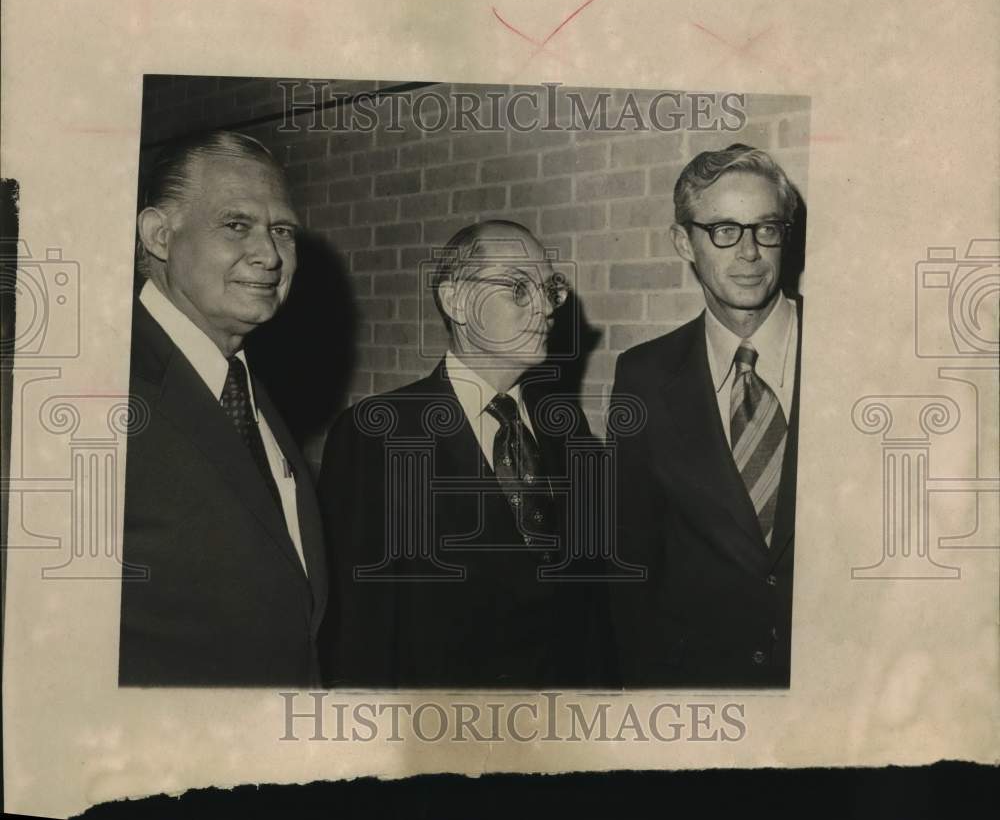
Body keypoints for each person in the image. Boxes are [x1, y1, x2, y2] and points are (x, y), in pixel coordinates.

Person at [318, 220, 612, 688]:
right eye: (518, 287)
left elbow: (591, 608)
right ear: (455, 301)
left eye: (549, 288)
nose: (544, 308)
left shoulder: (567, 430)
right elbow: (359, 631)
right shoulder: (378, 435)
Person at [119, 130, 327, 686]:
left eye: (281, 230)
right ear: (160, 235)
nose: (270, 254)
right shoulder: (94, 387)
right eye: (236, 225)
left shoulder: (246, 385)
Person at [608, 144, 803, 687]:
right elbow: (630, 561)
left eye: (766, 228)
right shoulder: (642, 377)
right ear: (683, 242)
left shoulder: (855, 350)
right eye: (723, 230)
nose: (748, 253)